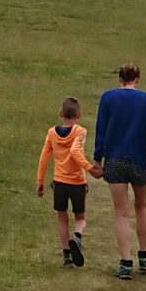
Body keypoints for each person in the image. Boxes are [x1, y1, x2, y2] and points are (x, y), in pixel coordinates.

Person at [92, 62, 146, 280]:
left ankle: (126, 262)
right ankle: (144, 257)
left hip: (115, 161)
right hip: (140, 161)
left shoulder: (108, 98)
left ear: (120, 79)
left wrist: (97, 159)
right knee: (142, 206)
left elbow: (101, 130)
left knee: (121, 212)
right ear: (137, 79)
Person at [35, 96, 96, 267]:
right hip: (77, 182)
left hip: (59, 183)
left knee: (62, 217)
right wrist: (89, 168)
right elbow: (76, 153)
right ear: (79, 115)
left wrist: (40, 182)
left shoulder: (51, 133)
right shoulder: (80, 131)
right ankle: (76, 237)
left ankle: (66, 255)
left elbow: (44, 158)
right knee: (80, 218)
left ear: (61, 113)